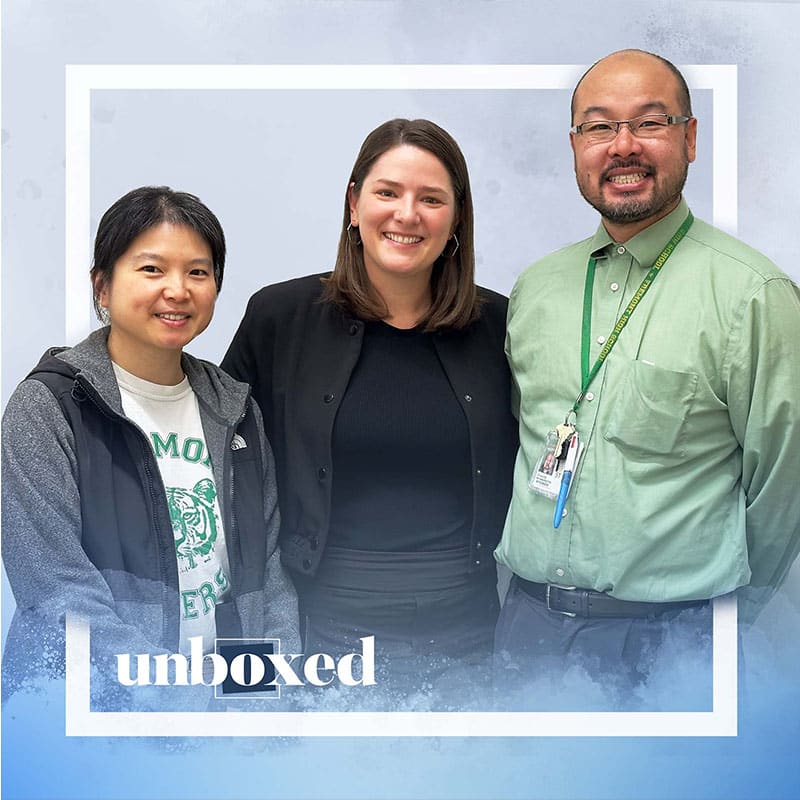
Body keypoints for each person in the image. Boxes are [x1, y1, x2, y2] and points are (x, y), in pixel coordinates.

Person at [494, 50, 800, 703]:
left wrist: (722, 622)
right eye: (599, 127)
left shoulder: (754, 294)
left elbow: (783, 487)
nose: (622, 146)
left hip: (669, 639)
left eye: (649, 124)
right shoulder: (536, 288)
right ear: (576, 146)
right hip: (525, 629)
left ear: (690, 138)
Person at [222, 119, 517, 699]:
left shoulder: (502, 327)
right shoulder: (279, 317)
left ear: (456, 219)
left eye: (431, 199)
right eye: (387, 192)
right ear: (353, 204)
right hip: (317, 636)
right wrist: (247, 667)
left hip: (471, 640)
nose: (407, 214)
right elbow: (225, 476)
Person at [2, 186, 300, 708]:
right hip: (88, 722)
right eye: (152, 269)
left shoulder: (235, 411)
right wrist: (179, 702)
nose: (178, 290)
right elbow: (56, 592)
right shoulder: (48, 407)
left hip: (219, 724)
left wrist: (258, 704)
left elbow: (265, 578)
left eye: (198, 272)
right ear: (102, 287)